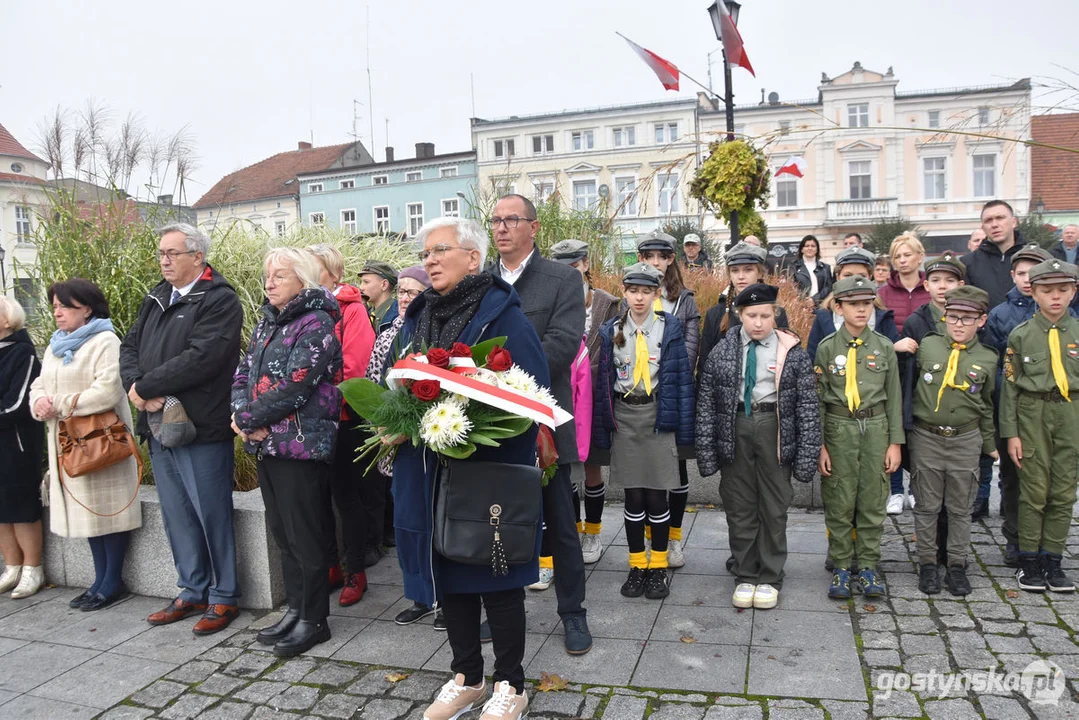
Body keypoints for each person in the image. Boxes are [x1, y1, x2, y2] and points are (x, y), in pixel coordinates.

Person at [396, 217, 547, 720]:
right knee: (448, 572)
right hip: (430, 471)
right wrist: (401, 419)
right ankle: (467, 676)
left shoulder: (504, 317)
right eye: (427, 252)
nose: (430, 259)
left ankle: (512, 684)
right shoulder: (421, 317)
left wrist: (468, 426)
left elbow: (532, 396)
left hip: (487, 473)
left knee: (496, 577)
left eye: (441, 249)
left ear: (473, 257)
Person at [120, 223, 244, 634]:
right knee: (177, 514)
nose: (164, 260)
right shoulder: (156, 296)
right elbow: (129, 346)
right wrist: (135, 388)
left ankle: (224, 596)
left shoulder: (219, 300)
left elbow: (202, 357)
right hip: (158, 423)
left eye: (172, 253)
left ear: (197, 256)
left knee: (211, 513)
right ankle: (191, 590)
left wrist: (147, 386)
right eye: (161, 253)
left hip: (200, 425)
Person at [489, 194, 592, 656]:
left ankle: (573, 613)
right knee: (501, 523)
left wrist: (501, 382)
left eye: (512, 219)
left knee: (560, 524)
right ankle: (503, 612)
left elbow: (562, 345)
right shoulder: (480, 281)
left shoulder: (562, 279)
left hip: (543, 421)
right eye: (495, 220)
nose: (502, 227)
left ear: (533, 227)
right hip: (489, 423)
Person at [232, 248, 343, 656]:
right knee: (283, 533)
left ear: (304, 279)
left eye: (279, 275)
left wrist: (248, 418)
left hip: (300, 443)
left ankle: (315, 620)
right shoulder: (268, 321)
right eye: (267, 275)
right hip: (267, 442)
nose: (269, 282)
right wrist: (243, 415)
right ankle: (296, 610)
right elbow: (243, 372)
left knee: (306, 535)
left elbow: (298, 384)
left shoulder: (317, 323)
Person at [696, 283, 820, 610]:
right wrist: (707, 449)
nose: (758, 322)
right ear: (739, 315)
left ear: (775, 315)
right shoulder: (723, 350)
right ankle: (746, 571)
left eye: (765, 315)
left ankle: (770, 574)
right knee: (739, 504)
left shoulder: (790, 351)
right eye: (751, 315)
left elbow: (807, 403)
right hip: (735, 427)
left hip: (774, 428)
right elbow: (707, 401)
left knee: (774, 504)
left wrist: (807, 450)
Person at [31, 279, 142, 609]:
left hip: (99, 440)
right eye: (54, 307)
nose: (58, 313)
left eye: (65, 306)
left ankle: (112, 581)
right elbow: (40, 383)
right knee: (88, 513)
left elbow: (108, 390)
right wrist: (38, 402)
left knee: (107, 510)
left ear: (87, 308)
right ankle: (99, 579)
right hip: (68, 442)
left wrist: (59, 403)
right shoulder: (55, 345)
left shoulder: (105, 341)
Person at [593, 262, 694, 600]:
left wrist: (682, 428)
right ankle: (637, 564)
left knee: (657, 495)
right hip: (625, 414)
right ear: (624, 292)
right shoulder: (612, 329)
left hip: (656, 414)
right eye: (633, 290)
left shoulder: (670, 328)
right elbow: (604, 380)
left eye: (646, 291)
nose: (639, 297)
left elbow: (680, 377)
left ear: (656, 293)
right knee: (633, 496)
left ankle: (658, 567)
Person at [815, 276, 903, 600]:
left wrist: (895, 442)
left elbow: (893, 397)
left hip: (876, 427)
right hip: (839, 429)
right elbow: (821, 400)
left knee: (872, 498)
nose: (861, 309)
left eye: (866, 303)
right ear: (838, 307)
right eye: (853, 304)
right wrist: (821, 445)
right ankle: (840, 565)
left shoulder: (883, 347)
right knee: (839, 499)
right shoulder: (826, 349)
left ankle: (867, 565)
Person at [909, 286, 996, 597]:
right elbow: (908, 386)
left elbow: (986, 404)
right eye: (953, 317)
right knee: (927, 506)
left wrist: (989, 444)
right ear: (944, 317)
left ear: (981, 320)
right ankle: (928, 564)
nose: (959, 324)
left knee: (960, 507)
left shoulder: (987, 358)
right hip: (927, 437)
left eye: (968, 318)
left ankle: (957, 564)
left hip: (966, 439)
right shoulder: (927, 347)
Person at [1001, 259, 1079, 594]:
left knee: (1063, 491)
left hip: (1071, 412)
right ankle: (1029, 560)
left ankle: (1054, 559)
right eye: (1047, 290)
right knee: (1033, 491)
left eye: (1063, 289)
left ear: (1074, 290)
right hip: (1033, 414)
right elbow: (1009, 389)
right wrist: (1012, 434)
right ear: (1033, 292)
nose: (1056, 297)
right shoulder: (1020, 336)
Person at [307, 244, 376, 606]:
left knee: (346, 498)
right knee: (317, 497)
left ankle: (356, 570)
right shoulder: (299, 308)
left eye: (312, 266)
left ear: (333, 273)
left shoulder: (351, 309)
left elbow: (355, 367)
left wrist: (323, 403)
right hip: (306, 421)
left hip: (341, 417)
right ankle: (331, 564)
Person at [550, 239, 619, 566]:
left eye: (574, 266)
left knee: (592, 466)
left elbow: (615, 349)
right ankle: (572, 530)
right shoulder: (550, 301)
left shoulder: (607, 303)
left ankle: (593, 531)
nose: (569, 273)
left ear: (586, 264)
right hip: (558, 395)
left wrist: (588, 369)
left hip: (593, 397)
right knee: (563, 468)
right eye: (562, 268)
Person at [984, 244, 1052, 567]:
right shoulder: (1001, 314)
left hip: (1050, 411)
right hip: (1010, 407)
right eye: (1022, 273)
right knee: (1012, 476)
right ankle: (1015, 537)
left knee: (1048, 478)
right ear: (1012, 275)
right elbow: (996, 366)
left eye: (1034, 273)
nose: (1027, 279)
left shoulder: (1061, 314)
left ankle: (1043, 540)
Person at [635, 230, 700, 568]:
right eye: (649, 257)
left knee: (675, 469)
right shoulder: (633, 295)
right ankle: (648, 536)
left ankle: (673, 538)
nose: (656, 263)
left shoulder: (683, 299)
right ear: (641, 258)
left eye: (662, 256)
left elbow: (690, 348)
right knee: (643, 469)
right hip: (638, 396)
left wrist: (667, 378)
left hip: (672, 393)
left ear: (672, 259)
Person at [889, 251, 966, 516]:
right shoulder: (916, 321)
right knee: (926, 482)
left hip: (960, 409)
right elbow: (908, 374)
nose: (942, 286)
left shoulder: (969, 318)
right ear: (926, 284)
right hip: (926, 409)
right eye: (936, 280)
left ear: (960, 285)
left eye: (949, 280)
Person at [0, 297, 44, 599]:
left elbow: (17, 404)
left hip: (16, 443)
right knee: (1, 511)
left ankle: (32, 569)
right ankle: (11, 566)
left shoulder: (23, 352)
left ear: (6, 320)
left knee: (21, 506)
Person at [699, 242, 789, 375]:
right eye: (735, 270)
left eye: (748, 269)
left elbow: (787, 361)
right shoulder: (715, 314)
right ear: (729, 274)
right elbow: (705, 366)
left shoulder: (777, 313)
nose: (741, 276)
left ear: (759, 273)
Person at [806, 247, 900, 362]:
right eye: (848, 276)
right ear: (837, 277)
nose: (854, 282)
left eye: (861, 276)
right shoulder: (824, 317)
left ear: (870, 277)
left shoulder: (883, 317)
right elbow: (813, 359)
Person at [961, 200, 1024, 309]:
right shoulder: (967, 264)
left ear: (1014, 222)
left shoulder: (1034, 258)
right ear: (983, 227)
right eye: (988, 220)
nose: (994, 225)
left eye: (1000, 218)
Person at [878, 232, 930, 334]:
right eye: (897, 257)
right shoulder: (882, 293)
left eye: (907, 255)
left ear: (920, 257)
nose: (902, 260)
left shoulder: (932, 290)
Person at [790, 235, 833, 305]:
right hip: (800, 306)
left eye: (813, 246)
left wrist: (814, 300)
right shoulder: (793, 266)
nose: (810, 248)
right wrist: (804, 300)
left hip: (821, 305)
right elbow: (791, 285)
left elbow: (828, 287)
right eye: (807, 246)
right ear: (802, 249)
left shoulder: (825, 268)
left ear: (817, 249)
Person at [360, 260, 398, 335]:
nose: (361, 287)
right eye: (361, 282)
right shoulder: (367, 313)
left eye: (366, 282)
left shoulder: (398, 317)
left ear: (384, 285)